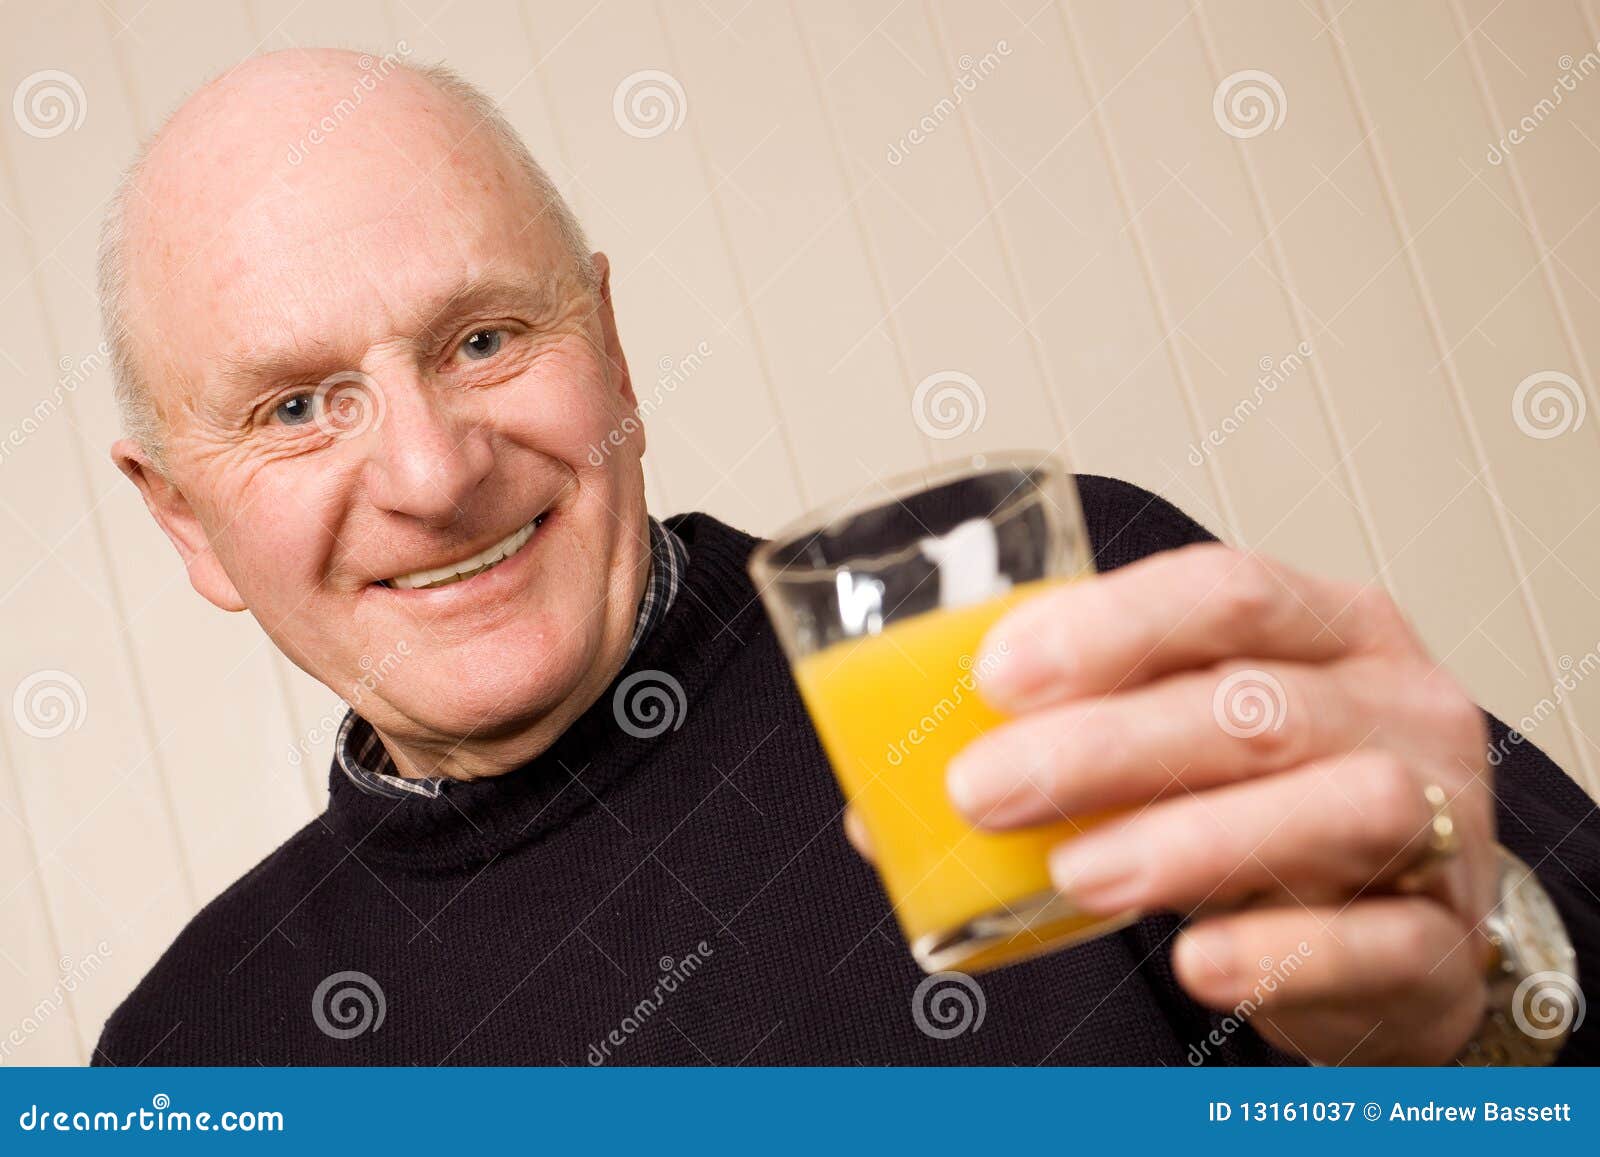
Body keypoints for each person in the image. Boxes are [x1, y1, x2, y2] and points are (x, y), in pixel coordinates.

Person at [93, 48, 1597, 1066]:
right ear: (182, 519)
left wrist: (1481, 1024)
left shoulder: (1039, 610)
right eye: (296, 406)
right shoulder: (185, 1051)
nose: (431, 470)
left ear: (608, 351)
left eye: (485, 338)